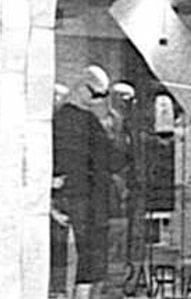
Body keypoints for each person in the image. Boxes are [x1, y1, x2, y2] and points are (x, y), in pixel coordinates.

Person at [51, 66, 128, 299]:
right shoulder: (87, 123)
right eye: (96, 96)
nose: (96, 102)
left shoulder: (57, 119)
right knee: (89, 260)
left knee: (67, 259)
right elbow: (114, 160)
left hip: (64, 198)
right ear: (83, 88)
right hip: (87, 201)